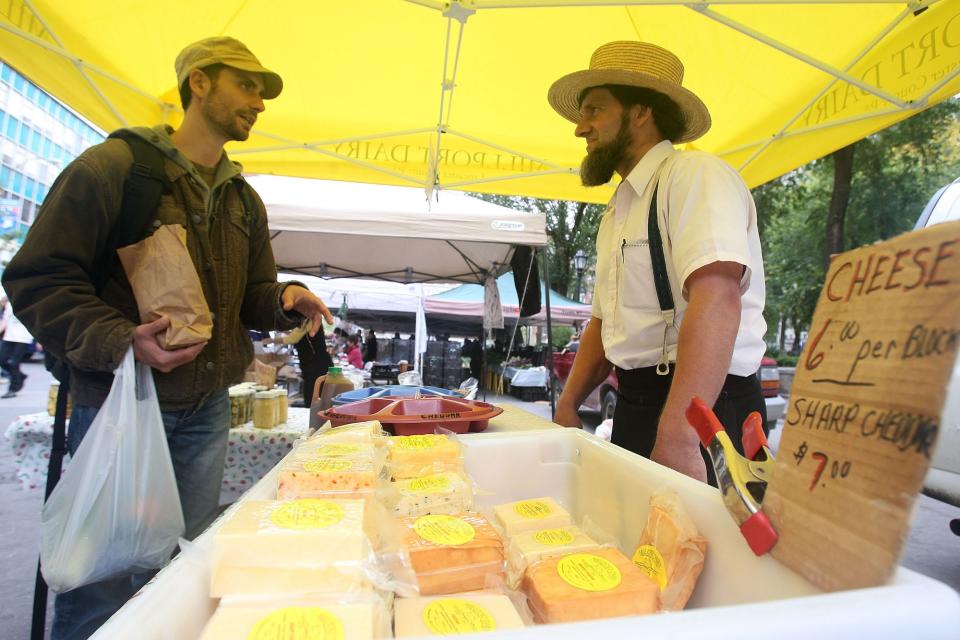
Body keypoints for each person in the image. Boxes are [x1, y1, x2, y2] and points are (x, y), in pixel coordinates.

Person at [1, 36, 333, 640]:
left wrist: (285, 298)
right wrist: (122, 339)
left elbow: (252, 295)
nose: (259, 103)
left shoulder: (242, 199)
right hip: (122, 409)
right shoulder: (113, 171)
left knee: (181, 564)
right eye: (248, 85)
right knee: (100, 575)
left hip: (206, 409)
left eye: (263, 93)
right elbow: (38, 279)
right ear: (199, 83)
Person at [549, 41, 766, 483]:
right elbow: (603, 324)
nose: (580, 128)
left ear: (641, 112)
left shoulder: (695, 176)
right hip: (642, 404)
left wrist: (682, 436)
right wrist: (569, 404)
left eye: (593, 110)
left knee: (708, 551)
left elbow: (718, 296)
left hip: (705, 409)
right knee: (640, 547)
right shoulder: (620, 209)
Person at [0, 297, 34, 398]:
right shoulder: (9, 305)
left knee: (15, 363)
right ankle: (20, 376)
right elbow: (5, 321)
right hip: (9, 337)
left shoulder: (28, 306)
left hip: (23, 338)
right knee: (2, 360)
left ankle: (13, 388)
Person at [295, 329, 333, 407]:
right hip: (312, 363)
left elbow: (292, 338)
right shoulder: (304, 323)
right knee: (313, 393)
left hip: (317, 364)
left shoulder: (309, 321)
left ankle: (314, 412)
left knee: (315, 393)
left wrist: (271, 340)